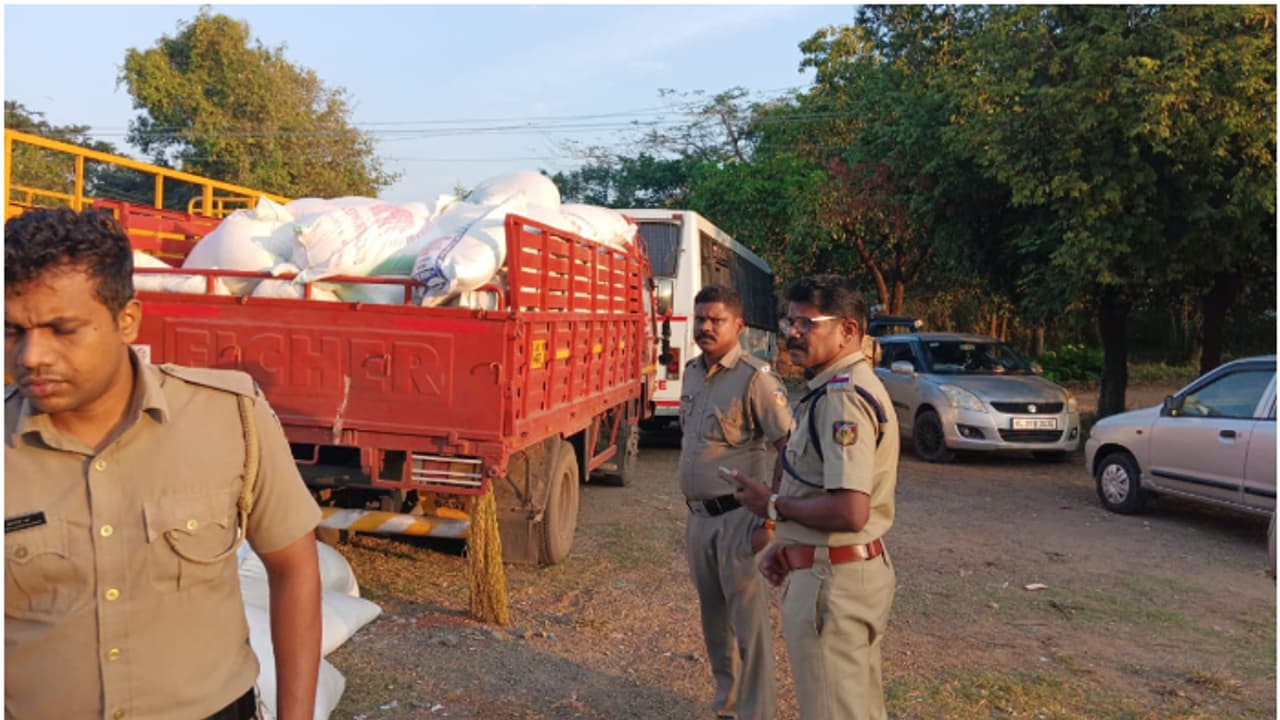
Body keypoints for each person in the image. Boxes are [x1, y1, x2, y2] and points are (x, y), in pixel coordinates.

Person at [4, 208, 323, 720]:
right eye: (12, 330)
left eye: (62, 330)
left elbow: (294, 568)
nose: (31, 356)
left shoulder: (229, 415)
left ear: (126, 321)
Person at [731, 274, 900, 720]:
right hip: (838, 568)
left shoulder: (843, 398)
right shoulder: (834, 389)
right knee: (854, 707)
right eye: (790, 322)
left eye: (808, 323)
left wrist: (772, 506)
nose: (793, 333)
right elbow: (819, 485)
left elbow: (850, 510)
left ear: (848, 330)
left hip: (834, 580)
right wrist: (789, 544)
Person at [678, 285, 793, 720]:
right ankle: (727, 707)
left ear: (738, 326)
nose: (705, 327)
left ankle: (757, 712)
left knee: (749, 628)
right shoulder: (691, 372)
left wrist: (771, 517)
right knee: (714, 623)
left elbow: (789, 447)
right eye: (700, 319)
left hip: (739, 521)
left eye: (716, 320)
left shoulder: (755, 378)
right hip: (699, 518)